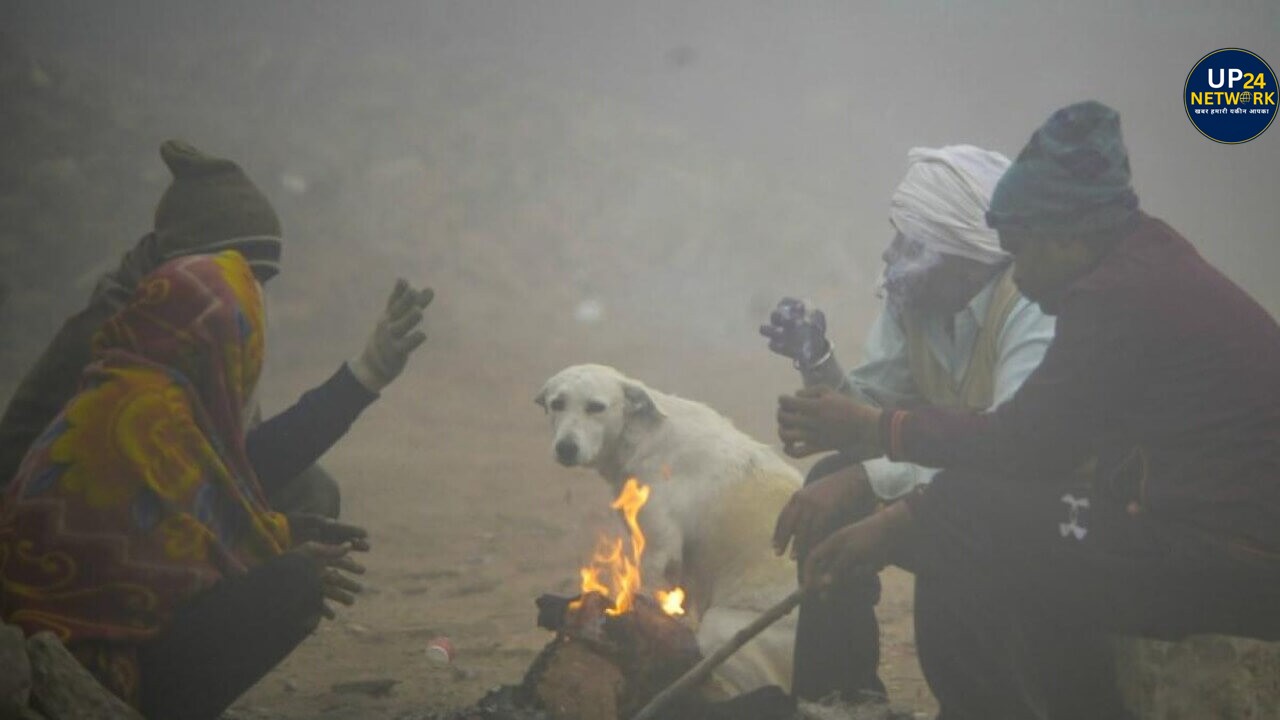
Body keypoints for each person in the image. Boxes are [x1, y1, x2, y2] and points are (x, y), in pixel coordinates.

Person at [776, 101, 1280, 719]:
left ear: (1070, 236)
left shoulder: (1113, 297)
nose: (1018, 270)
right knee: (969, 515)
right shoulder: (1137, 263)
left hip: (1237, 556)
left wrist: (891, 474)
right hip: (1183, 526)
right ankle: (844, 701)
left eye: (1023, 251)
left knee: (959, 518)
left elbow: (1027, 446)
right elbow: (1045, 449)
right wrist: (871, 439)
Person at [0, 252, 375, 719]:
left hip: (52, 644)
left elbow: (185, 526)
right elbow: (179, 575)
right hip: (87, 676)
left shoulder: (125, 387)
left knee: (297, 533)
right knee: (294, 584)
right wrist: (287, 562)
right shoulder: (150, 422)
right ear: (219, 340)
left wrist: (286, 534)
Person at [760, 145, 1055, 703]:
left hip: (1029, 503)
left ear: (966, 256)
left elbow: (1012, 449)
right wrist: (816, 359)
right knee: (831, 475)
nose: (892, 255)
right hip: (960, 481)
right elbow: (870, 418)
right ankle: (839, 700)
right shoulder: (918, 300)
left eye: (911, 243)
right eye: (896, 236)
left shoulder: (1029, 306)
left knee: (940, 526)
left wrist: (868, 481)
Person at [0, 140, 429, 518]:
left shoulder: (208, 326)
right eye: (237, 279)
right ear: (188, 267)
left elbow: (243, 463)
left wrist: (365, 374)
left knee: (308, 493)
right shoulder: (114, 340)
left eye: (258, 284)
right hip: (83, 541)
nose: (249, 298)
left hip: (162, 515)